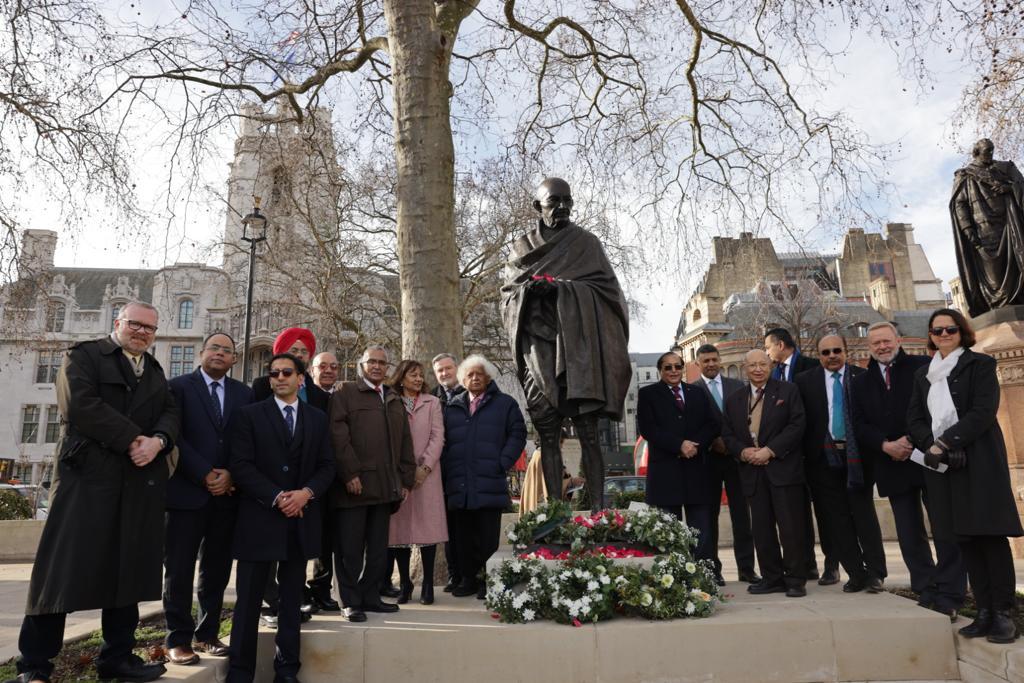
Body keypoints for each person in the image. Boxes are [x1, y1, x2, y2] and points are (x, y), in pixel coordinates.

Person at [10, 302, 179, 683]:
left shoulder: (154, 370)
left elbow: (170, 413)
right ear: (118, 323)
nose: (142, 332)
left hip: (135, 484)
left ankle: (117, 657)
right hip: (86, 482)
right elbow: (80, 405)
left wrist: (158, 440)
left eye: (150, 328)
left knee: (126, 574)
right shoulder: (84, 356)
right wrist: (133, 439)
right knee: (59, 573)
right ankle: (35, 665)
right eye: (135, 324)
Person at [501, 177, 631, 511]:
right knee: (547, 435)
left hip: (579, 352)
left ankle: (599, 512)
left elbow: (609, 293)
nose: (562, 207)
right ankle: (556, 513)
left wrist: (561, 289)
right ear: (538, 206)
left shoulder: (587, 244)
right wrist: (528, 291)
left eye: (567, 201)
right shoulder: (522, 248)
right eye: (554, 201)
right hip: (539, 350)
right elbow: (508, 296)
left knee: (589, 433)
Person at [908, 309, 1024, 643]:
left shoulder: (980, 365)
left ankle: (1003, 613)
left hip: (980, 461)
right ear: (931, 336)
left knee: (990, 536)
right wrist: (934, 447)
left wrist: (948, 441)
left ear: (962, 332)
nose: (944, 335)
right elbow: (914, 419)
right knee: (965, 539)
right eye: (937, 331)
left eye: (950, 329)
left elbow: (983, 411)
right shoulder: (923, 375)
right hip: (944, 468)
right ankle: (984, 611)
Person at [226, 353, 335, 683]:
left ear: (301, 378)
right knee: (248, 603)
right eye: (274, 373)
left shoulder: (317, 418)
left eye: (287, 372)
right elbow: (240, 465)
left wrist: (305, 494)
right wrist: (277, 497)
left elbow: (327, 465)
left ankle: (287, 670)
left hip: (300, 521)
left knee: (291, 602)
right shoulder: (249, 415)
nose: (279, 378)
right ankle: (240, 672)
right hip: (259, 520)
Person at [851, 322, 966, 619]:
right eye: (876, 343)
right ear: (869, 347)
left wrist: (914, 440)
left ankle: (951, 592)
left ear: (898, 340)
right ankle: (925, 589)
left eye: (886, 341)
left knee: (944, 526)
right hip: (891, 463)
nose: (882, 347)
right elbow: (858, 424)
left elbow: (938, 410)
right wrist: (885, 445)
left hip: (928, 457)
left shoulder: (923, 367)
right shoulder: (860, 382)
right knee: (908, 531)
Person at [164, 333, 254, 666]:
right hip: (186, 494)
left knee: (216, 570)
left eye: (227, 350)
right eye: (214, 348)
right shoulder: (177, 388)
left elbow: (247, 440)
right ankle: (177, 639)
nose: (220, 353)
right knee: (178, 569)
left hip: (226, 497)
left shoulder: (244, 394)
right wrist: (204, 473)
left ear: (234, 359)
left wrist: (231, 474)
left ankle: (207, 634)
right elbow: (174, 436)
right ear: (202, 353)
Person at [329, 345, 417, 622]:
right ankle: (349, 601)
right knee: (350, 551)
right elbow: (337, 436)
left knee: (378, 551)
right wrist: (349, 473)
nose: (377, 366)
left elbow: (405, 441)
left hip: (385, 487)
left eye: (382, 362)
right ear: (361, 365)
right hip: (354, 487)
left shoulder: (393, 397)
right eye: (372, 362)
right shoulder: (345, 393)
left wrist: (406, 479)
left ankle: (369, 597)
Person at [794, 334, 886, 594]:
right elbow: (801, 422)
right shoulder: (804, 381)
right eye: (825, 352)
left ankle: (876, 573)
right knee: (837, 520)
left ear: (846, 351)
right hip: (822, 460)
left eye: (837, 350)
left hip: (858, 457)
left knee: (864, 515)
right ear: (818, 355)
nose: (832, 356)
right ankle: (856, 574)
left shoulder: (862, 377)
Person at [253, 328, 334, 619]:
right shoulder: (262, 386)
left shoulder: (317, 395)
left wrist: (307, 491)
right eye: (293, 350)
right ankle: (272, 601)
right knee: (269, 549)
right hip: (271, 482)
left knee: (298, 548)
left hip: (306, 483)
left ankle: (295, 598)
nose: (299, 355)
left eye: (303, 352)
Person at [721, 349, 808, 598]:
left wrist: (770, 451)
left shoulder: (788, 391)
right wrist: (743, 452)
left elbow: (797, 425)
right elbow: (727, 434)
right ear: (744, 368)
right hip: (752, 473)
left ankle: (795, 579)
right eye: (752, 365)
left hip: (783, 470)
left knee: (790, 528)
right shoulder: (734, 399)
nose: (758, 369)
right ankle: (772, 578)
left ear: (770, 366)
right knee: (761, 530)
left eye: (762, 364)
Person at [442, 355, 527, 598]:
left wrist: (502, 463)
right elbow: (443, 441)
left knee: (487, 537)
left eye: (480, 374)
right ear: (463, 379)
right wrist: (448, 468)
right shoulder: (452, 407)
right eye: (470, 374)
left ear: (488, 377)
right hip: (459, 483)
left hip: (489, 481)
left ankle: (487, 581)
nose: (475, 378)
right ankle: (467, 580)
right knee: (463, 537)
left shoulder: (505, 404)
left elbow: (518, 434)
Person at [764, 327, 837, 584]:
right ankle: (807, 565)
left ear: (780, 345)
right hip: (787, 457)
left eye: (767, 347)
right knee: (797, 515)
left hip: (816, 452)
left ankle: (832, 565)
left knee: (826, 513)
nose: (766, 353)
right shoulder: (773, 374)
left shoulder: (812, 366)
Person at [637, 351, 719, 564]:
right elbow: (648, 429)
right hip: (666, 473)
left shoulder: (697, 393)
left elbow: (712, 424)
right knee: (668, 533)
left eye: (677, 366)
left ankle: (705, 572)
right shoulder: (648, 394)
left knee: (701, 531)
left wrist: (694, 445)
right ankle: (674, 574)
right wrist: (679, 445)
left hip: (696, 471)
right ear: (660, 370)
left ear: (682, 368)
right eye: (668, 367)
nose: (674, 371)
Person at [694, 344, 760, 585]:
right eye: (706, 361)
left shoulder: (737, 386)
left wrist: (734, 445)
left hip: (736, 460)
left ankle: (747, 569)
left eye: (714, 359)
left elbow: (746, 420)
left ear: (720, 360)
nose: (711, 364)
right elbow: (693, 425)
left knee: (742, 516)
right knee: (708, 518)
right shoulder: (693, 390)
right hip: (708, 462)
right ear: (698, 363)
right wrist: (713, 442)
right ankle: (713, 570)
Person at [386, 360, 447, 605]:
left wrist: (424, 468)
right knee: (398, 532)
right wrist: (404, 471)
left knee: (427, 531)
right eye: (413, 375)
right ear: (401, 378)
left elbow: (437, 437)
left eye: (421, 375)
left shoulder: (432, 402)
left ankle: (428, 584)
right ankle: (405, 583)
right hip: (398, 475)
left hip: (427, 476)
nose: (419, 379)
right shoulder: (391, 402)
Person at [949, 138, 1024, 315]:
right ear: (977, 152)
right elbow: (959, 204)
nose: (990, 154)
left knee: (1017, 264)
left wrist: (1008, 188)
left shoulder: (1005, 168)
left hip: (1009, 225)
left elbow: (1021, 185)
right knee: (994, 275)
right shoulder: (965, 175)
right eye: (986, 151)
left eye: (992, 150)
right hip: (983, 231)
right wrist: (967, 228)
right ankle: (998, 304)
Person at [431, 352, 465, 592]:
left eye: (448, 368)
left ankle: (472, 575)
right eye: (439, 370)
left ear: (457, 368)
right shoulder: (432, 397)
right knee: (449, 529)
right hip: (440, 473)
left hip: (464, 469)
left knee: (467, 527)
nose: (444, 373)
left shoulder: (471, 393)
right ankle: (455, 575)